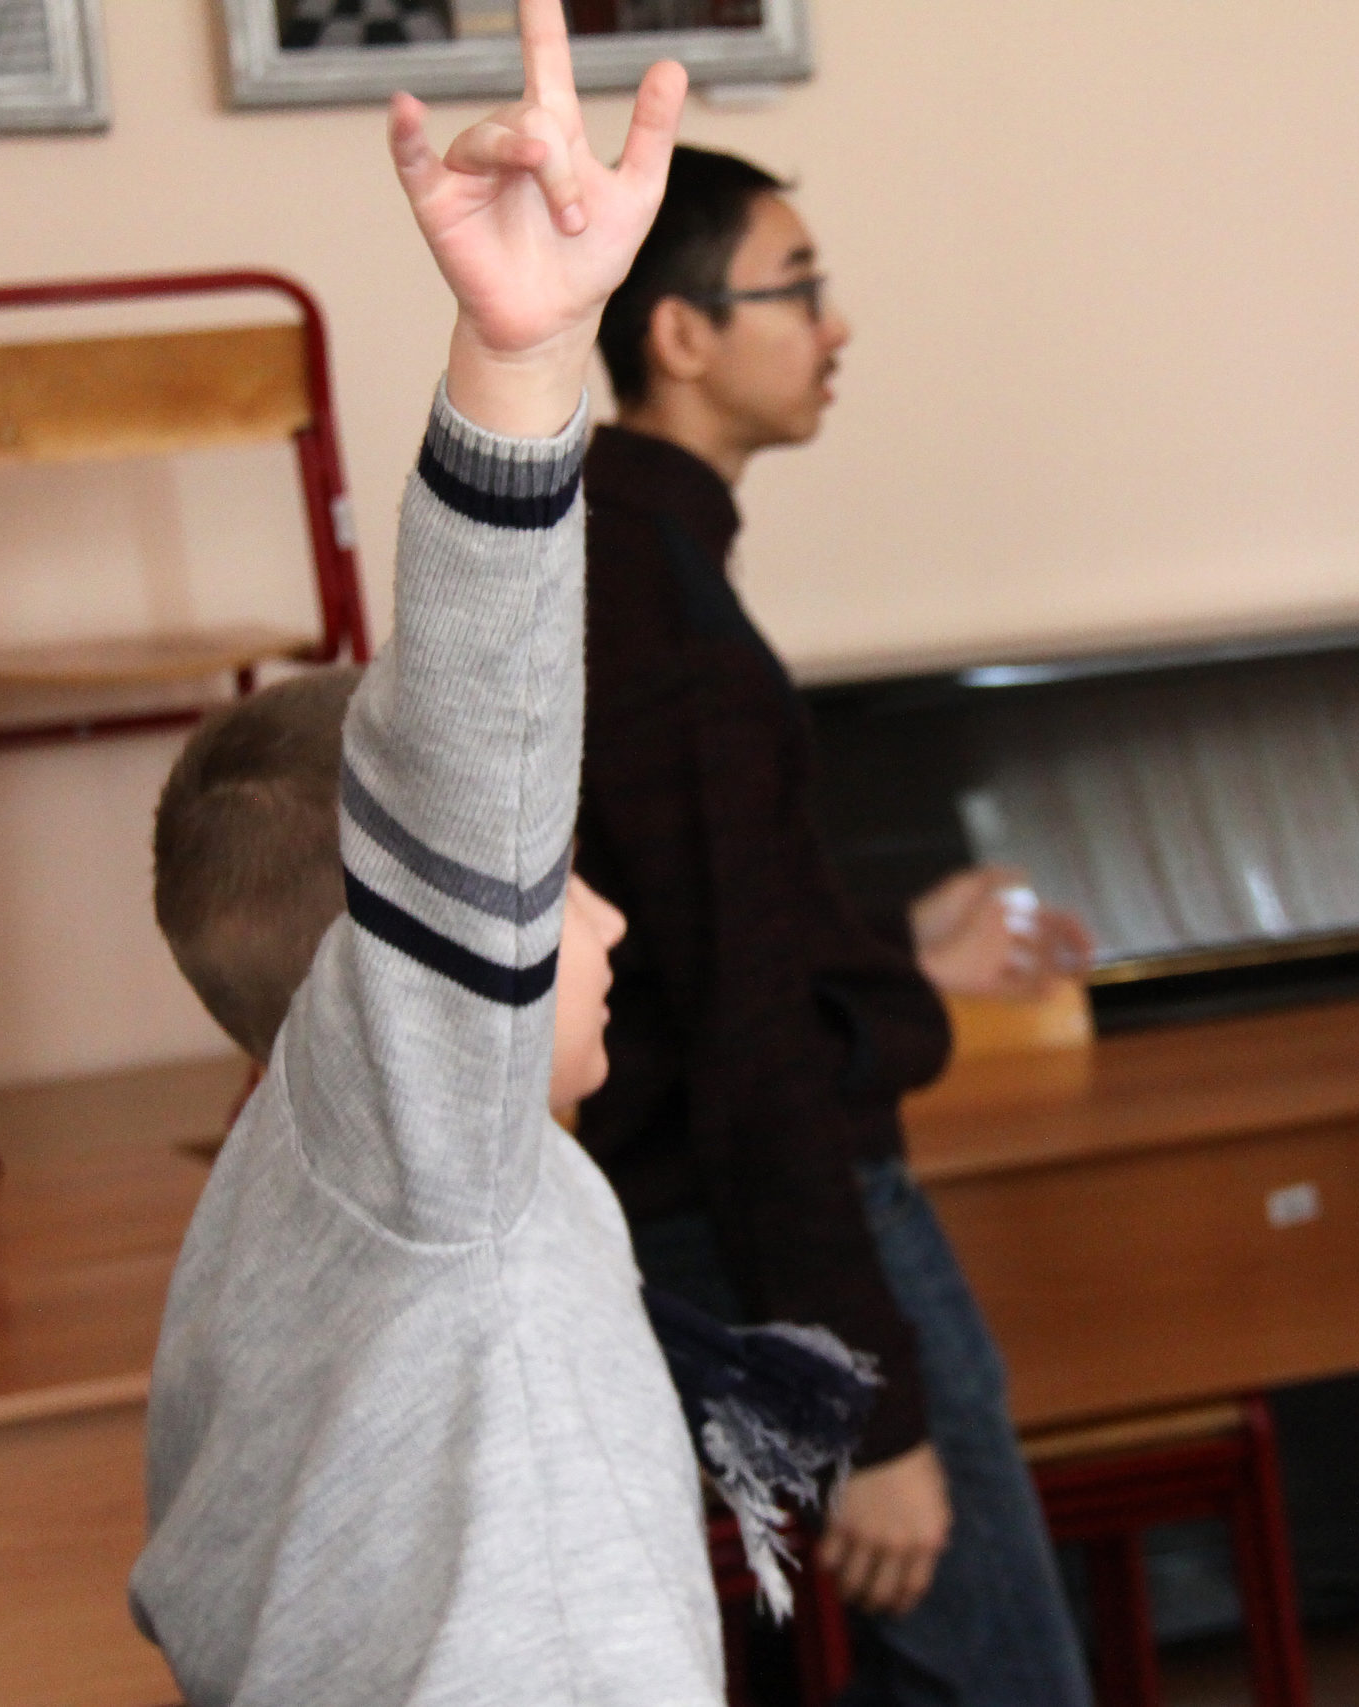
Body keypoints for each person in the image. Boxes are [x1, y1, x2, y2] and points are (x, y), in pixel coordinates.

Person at [129, 20, 725, 1704]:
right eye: (548, 885)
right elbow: (469, 777)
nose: (597, 913)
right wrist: (519, 374)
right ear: (402, 977)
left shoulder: (287, 1205)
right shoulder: (428, 1162)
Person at [572, 145, 1096, 1705]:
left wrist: (889, 953)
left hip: (711, 1227)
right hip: (760, 1239)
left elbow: (703, 933)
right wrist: (870, 1423)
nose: (836, 325)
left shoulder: (621, 550)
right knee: (1005, 1682)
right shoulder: (656, 599)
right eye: (796, 291)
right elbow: (743, 1034)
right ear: (681, 334)